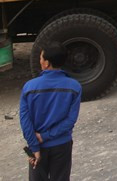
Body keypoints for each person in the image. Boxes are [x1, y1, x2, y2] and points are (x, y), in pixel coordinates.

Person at [19, 43, 81, 181]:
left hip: (38, 147)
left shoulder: (29, 87)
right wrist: (45, 136)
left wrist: (34, 146)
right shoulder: (74, 87)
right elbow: (70, 121)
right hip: (62, 144)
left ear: (46, 63)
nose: (40, 61)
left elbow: (25, 120)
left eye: (41, 58)